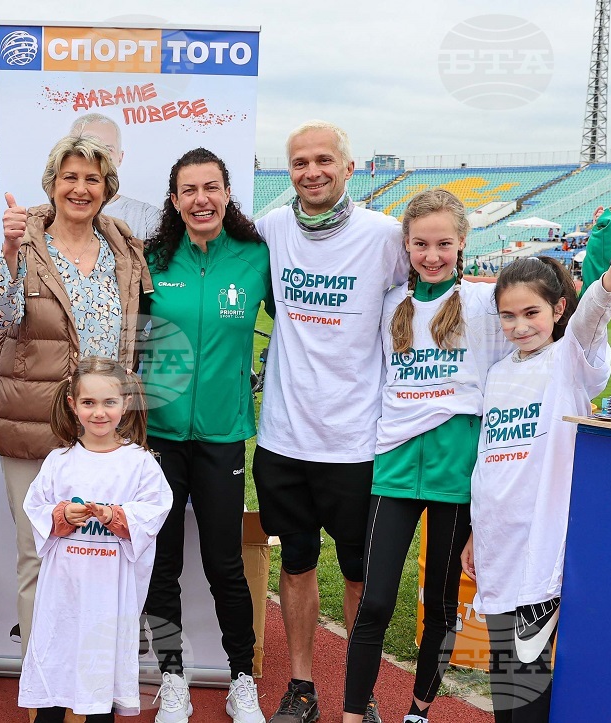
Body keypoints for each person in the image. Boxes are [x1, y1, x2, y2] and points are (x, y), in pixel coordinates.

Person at [462, 217, 611, 722]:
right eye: (508, 316)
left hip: (541, 547)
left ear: (558, 309)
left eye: (531, 312)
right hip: (497, 542)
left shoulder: (570, 359)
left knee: (529, 678)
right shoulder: (498, 373)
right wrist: (475, 532)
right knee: (505, 676)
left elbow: (596, 312)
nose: (519, 326)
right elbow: (488, 462)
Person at [252, 121, 409, 723]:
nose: (311, 171)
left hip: (356, 442)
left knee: (358, 575)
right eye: (299, 162)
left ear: (349, 167)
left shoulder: (385, 236)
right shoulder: (271, 228)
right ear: (288, 171)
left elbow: (433, 291)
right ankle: (302, 687)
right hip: (284, 438)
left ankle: (359, 694)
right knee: (295, 565)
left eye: (324, 160)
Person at [342, 190, 515, 723]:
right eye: (420, 244)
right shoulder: (389, 303)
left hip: (456, 476)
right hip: (392, 469)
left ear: (462, 242)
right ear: (406, 245)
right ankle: (352, 714)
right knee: (374, 602)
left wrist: (605, 269)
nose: (431, 255)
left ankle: (418, 712)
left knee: (440, 606)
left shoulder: (485, 304)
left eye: (443, 244)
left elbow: (550, 323)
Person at [0, 135, 154, 663]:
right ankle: (45, 682)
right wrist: (9, 255)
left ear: (108, 188)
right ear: (52, 184)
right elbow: (2, 319)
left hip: (102, 429)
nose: (80, 189)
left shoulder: (124, 247)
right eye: (70, 177)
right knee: (39, 553)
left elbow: (140, 333)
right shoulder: (25, 241)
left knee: (103, 554)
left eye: (92, 179)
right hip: (33, 421)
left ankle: (94, 676)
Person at [140, 148, 269, 723]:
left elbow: (301, 324)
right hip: (158, 437)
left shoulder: (255, 258)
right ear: (174, 200)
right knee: (161, 564)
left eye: (211, 187)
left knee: (224, 564)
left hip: (222, 437)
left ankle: (242, 678)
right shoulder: (150, 261)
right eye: (189, 190)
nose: (201, 199)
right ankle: (173, 678)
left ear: (227, 193)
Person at [18, 357, 173, 722]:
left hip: (109, 595)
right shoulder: (59, 460)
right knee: (55, 666)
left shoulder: (140, 463)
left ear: (125, 403)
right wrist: (62, 515)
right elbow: (36, 506)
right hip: (63, 594)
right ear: (73, 405)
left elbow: (155, 510)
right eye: (89, 402)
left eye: (109, 402)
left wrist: (114, 516)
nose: (99, 412)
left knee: (101, 678)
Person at [71, 113, 163, 239]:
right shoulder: (49, 217)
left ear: (120, 158)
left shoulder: (147, 217)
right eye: (86, 148)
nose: (98, 157)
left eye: (107, 150)